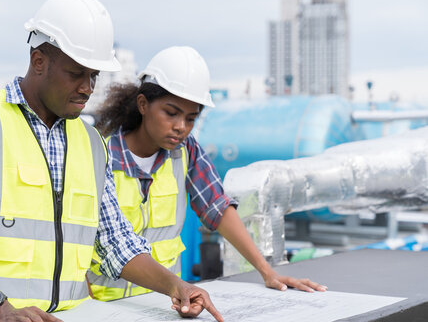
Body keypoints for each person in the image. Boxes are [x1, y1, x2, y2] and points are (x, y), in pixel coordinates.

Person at [0, 0, 223, 322]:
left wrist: (177, 286)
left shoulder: (92, 143)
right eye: (75, 73)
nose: (87, 87)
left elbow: (116, 244)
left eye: (93, 75)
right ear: (38, 61)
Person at [89, 46, 328, 301]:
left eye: (191, 118)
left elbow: (218, 207)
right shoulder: (99, 154)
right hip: (104, 305)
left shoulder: (185, 152)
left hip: (163, 303)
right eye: (170, 113)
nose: (180, 127)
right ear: (143, 104)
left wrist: (267, 271)